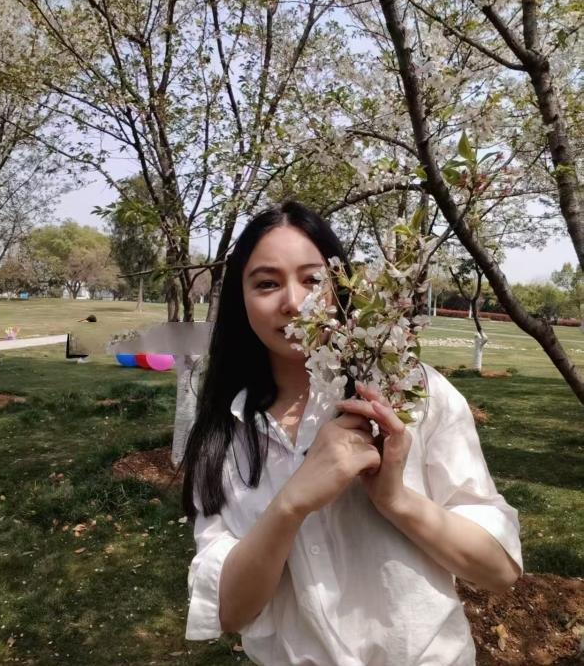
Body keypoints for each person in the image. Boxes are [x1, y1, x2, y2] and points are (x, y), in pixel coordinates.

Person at [181, 201, 522, 665]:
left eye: (312, 280)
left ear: (341, 289)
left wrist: (396, 500)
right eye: (266, 283)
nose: (293, 302)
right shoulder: (225, 431)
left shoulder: (411, 394)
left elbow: (499, 570)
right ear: (240, 301)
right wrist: (291, 504)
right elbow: (229, 611)